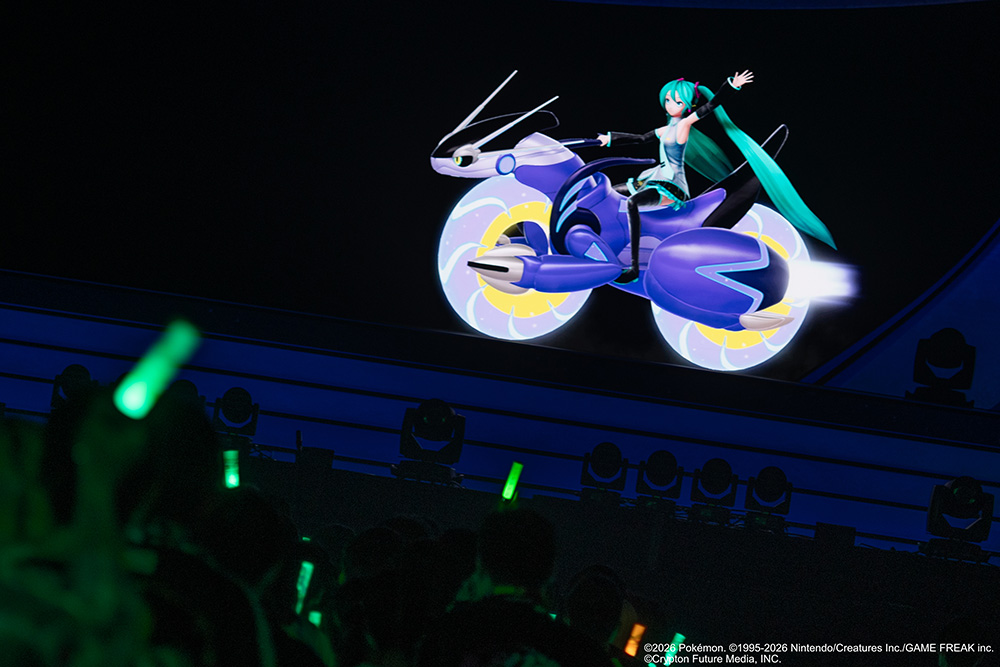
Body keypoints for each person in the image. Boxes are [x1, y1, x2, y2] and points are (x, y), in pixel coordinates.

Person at [598, 71, 834, 282]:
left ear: (687, 105)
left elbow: (710, 106)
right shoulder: (664, 130)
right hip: (652, 179)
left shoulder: (684, 125)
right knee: (612, 192)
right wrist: (609, 139)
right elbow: (640, 138)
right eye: (668, 100)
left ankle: (634, 266)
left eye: (677, 101)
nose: (671, 105)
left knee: (632, 203)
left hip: (670, 186)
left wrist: (730, 86)